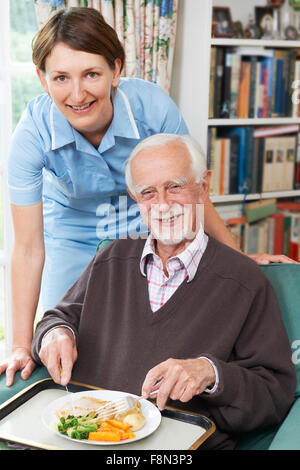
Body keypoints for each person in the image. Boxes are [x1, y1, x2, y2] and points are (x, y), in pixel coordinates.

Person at [1, 7, 294, 386]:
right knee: (62, 340)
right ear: (42, 79)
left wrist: (238, 262)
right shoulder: (29, 137)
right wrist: (22, 345)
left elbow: (192, 190)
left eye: (91, 74)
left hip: (142, 216)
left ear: (116, 71)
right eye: (60, 78)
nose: (77, 94)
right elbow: (26, 248)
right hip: (71, 228)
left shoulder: (152, 107)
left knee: (148, 336)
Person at [31, 134, 296, 450]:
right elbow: (57, 318)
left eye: (175, 187)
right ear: (135, 198)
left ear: (203, 186)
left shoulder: (246, 281)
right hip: (84, 437)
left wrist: (211, 373)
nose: (163, 205)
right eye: (148, 193)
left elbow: (273, 397)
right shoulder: (111, 258)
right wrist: (55, 335)